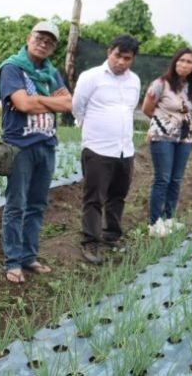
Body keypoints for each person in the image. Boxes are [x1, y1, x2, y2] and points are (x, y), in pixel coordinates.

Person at [0, 21, 72, 284]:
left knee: (37, 204)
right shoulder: (12, 68)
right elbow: (22, 104)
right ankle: (13, 261)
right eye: (40, 37)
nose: (43, 43)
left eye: (49, 41)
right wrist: (49, 103)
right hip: (20, 147)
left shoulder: (51, 72)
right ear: (29, 38)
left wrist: (38, 102)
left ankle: (29, 256)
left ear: (53, 47)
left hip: (46, 145)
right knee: (16, 205)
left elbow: (68, 103)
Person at [72, 34, 141, 265]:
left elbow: (129, 109)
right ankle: (90, 241)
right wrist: (92, 130)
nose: (121, 62)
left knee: (118, 195)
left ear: (132, 59)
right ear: (109, 52)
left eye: (127, 58)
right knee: (94, 198)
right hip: (98, 148)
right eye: (117, 56)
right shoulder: (91, 77)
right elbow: (77, 107)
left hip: (124, 149)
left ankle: (111, 234)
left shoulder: (135, 81)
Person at [141, 48, 192, 237]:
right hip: (163, 137)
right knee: (163, 179)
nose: (184, 65)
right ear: (175, 62)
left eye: (189, 62)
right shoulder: (160, 84)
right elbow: (147, 108)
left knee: (176, 179)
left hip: (185, 137)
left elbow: (188, 111)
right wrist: (163, 124)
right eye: (181, 60)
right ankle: (154, 222)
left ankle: (169, 218)